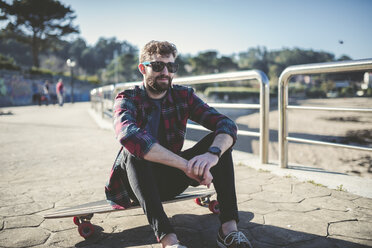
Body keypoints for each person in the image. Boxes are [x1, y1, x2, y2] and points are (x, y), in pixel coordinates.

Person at [105, 41, 253, 248]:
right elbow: (128, 135)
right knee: (133, 151)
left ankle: (228, 231)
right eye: (157, 66)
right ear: (142, 68)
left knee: (217, 143)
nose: (165, 72)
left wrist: (212, 156)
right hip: (137, 184)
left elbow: (226, 124)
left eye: (171, 67)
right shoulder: (127, 98)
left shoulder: (183, 96)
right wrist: (187, 166)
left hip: (171, 180)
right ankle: (169, 241)